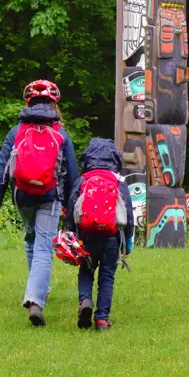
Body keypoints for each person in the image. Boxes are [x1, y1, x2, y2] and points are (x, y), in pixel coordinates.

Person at [0, 79, 80, 327]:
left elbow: (1, 172)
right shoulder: (60, 133)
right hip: (50, 196)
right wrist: (73, 207)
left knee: (31, 239)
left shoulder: (16, 132)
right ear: (54, 104)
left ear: (28, 102)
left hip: (23, 196)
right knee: (42, 246)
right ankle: (36, 300)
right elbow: (72, 174)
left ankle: (38, 290)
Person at [69, 137, 134, 332]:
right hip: (111, 238)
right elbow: (128, 215)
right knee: (107, 276)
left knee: (86, 271)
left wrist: (70, 234)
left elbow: (72, 207)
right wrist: (127, 244)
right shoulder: (118, 182)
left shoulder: (83, 180)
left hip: (86, 235)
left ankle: (85, 301)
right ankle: (102, 320)